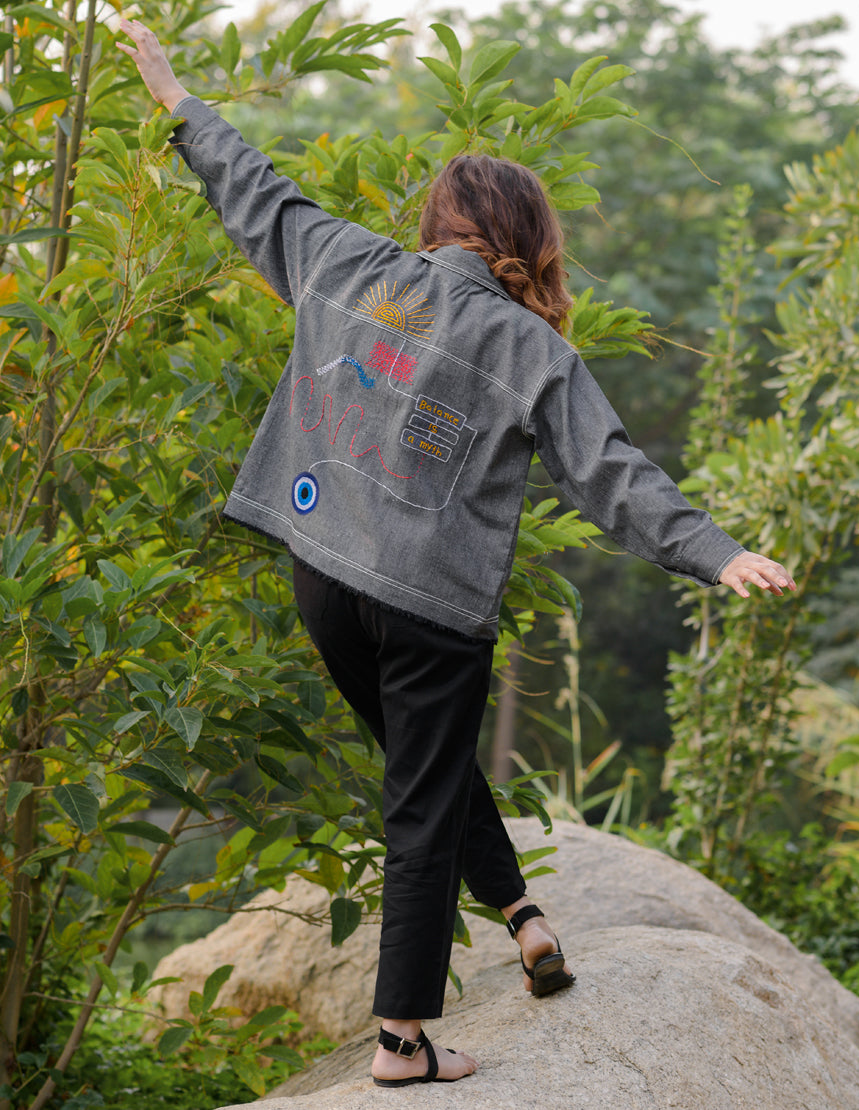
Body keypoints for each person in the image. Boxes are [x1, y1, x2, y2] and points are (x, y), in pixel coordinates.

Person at [118, 20, 796, 1088]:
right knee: (422, 796)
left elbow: (254, 188)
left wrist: (173, 94)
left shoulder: (347, 263)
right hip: (428, 605)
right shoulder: (534, 347)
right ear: (529, 238)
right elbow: (613, 474)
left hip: (324, 577)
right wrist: (715, 552)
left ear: (437, 224)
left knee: (419, 769)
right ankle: (403, 1042)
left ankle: (520, 913)